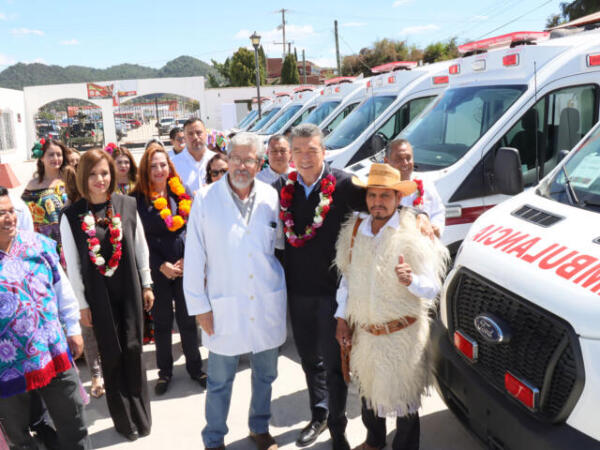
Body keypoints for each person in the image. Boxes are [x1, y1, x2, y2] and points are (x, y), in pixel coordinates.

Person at [334, 164, 449, 450]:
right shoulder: (355, 229)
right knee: (369, 395)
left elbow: (433, 287)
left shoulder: (414, 234)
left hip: (402, 336)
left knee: (404, 404)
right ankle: (374, 442)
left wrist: (411, 281)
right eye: (373, 195)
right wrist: (341, 319)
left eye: (385, 196)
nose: (377, 202)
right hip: (367, 335)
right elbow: (346, 278)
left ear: (399, 199)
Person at [184, 132, 285, 450]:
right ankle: (214, 439)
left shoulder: (271, 196)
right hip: (222, 303)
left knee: (266, 374)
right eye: (236, 158)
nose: (242, 165)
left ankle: (259, 426)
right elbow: (194, 256)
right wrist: (199, 306)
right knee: (219, 381)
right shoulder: (205, 199)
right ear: (226, 160)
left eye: (249, 159)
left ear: (259, 163)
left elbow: (279, 243)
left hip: (266, 297)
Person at [273, 123, 367, 450]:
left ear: (323, 152)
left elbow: (382, 205)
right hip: (298, 292)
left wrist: (419, 218)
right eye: (296, 151)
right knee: (309, 359)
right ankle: (320, 414)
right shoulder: (286, 188)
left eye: (311, 150)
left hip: (332, 294)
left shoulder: (344, 185)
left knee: (334, 365)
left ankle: (338, 431)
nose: (304, 157)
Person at [60, 149, 155, 441]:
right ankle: (125, 421)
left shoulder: (126, 204)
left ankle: (142, 415)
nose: (100, 179)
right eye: (92, 174)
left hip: (129, 288)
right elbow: (73, 265)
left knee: (134, 348)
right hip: (98, 295)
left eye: (104, 173)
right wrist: (82, 303)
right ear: (82, 178)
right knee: (112, 354)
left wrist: (147, 282)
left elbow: (140, 246)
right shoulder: (71, 215)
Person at [0, 187, 92, 450]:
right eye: (1, 213)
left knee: (73, 423)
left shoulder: (38, 245)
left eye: (11, 211)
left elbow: (62, 288)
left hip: (52, 351)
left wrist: (73, 328)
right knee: (19, 438)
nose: (10, 218)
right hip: (6, 367)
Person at [132, 143, 206, 396]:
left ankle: (196, 369)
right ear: (145, 169)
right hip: (158, 269)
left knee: (188, 321)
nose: (159, 170)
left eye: (163, 164)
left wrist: (188, 259)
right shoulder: (137, 199)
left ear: (169, 166)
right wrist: (158, 266)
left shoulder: (181, 192)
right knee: (162, 324)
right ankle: (165, 373)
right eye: (153, 166)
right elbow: (137, 240)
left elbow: (192, 229)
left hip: (184, 266)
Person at [384, 139, 445, 238]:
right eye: (399, 158)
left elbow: (438, 211)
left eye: (408, 158)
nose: (405, 163)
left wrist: (436, 226)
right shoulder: (379, 188)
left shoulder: (426, 184)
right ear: (386, 161)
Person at [21, 139, 69, 256]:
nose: (56, 158)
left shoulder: (70, 179)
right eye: (51, 154)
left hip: (69, 237)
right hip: (44, 243)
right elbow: (25, 214)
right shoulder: (33, 185)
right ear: (42, 158)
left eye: (59, 154)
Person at [171, 118, 216, 196]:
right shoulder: (173, 164)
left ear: (206, 134)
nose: (195, 137)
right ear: (184, 137)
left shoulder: (218, 160)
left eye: (199, 132)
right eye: (190, 134)